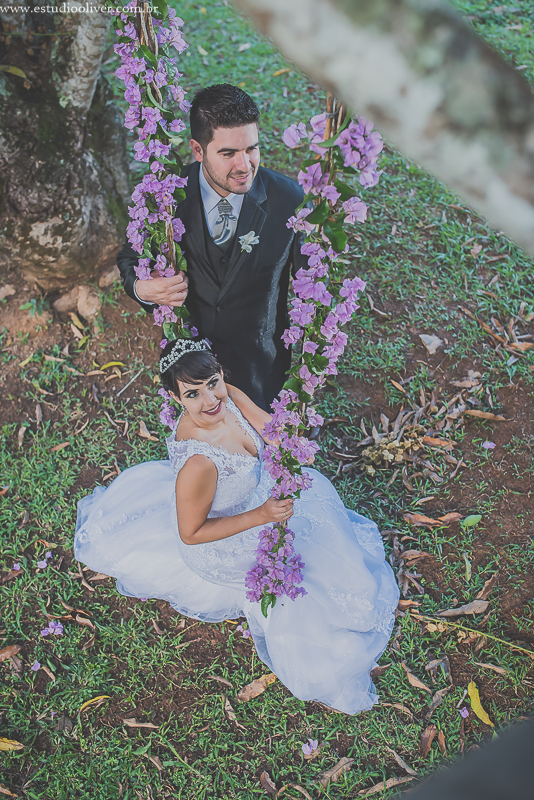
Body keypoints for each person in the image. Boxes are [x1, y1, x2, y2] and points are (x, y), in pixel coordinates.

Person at [74, 339, 399, 716]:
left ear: (220, 374)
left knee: (317, 505)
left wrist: (288, 440)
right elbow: (191, 534)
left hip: (252, 495)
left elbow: (270, 430)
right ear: (175, 398)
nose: (210, 400)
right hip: (221, 538)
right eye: (192, 394)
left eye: (212, 382)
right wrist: (261, 515)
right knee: (304, 571)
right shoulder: (199, 463)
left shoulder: (228, 396)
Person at [117, 83, 308, 411]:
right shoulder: (164, 197)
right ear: (197, 149)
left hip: (261, 371)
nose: (244, 165)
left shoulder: (290, 201)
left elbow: (311, 285)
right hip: (192, 369)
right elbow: (128, 260)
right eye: (228, 153)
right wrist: (143, 289)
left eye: (251, 149)